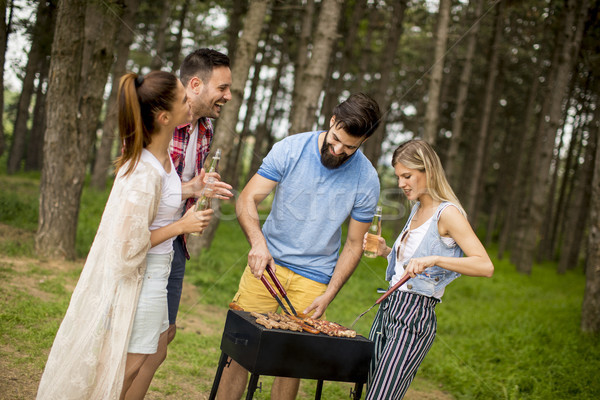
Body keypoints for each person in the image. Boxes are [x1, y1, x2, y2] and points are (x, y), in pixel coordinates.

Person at [36, 71, 214, 399]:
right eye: (182, 99)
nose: (190, 101)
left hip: (157, 277)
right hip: (142, 282)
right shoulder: (144, 171)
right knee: (122, 372)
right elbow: (127, 248)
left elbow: (158, 202)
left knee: (140, 360)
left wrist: (192, 188)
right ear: (164, 117)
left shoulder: (162, 162)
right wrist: (182, 226)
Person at [217, 93, 382, 400]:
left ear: (363, 142)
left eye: (350, 147)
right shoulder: (291, 148)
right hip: (266, 266)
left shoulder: (367, 178)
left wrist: (329, 293)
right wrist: (257, 244)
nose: (338, 150)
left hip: (314, 279)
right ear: (332, 121)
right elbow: (247, 199)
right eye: (335, 140)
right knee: (240, 351)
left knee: (290, 363)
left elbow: (354, 244)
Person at [126, 48, 235, 395]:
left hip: (175, 244)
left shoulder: (204, 131)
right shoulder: (159, 124)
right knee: (133, 344)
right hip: (146, 241)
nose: (228, 96)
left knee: (163, 337)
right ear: (195, 84)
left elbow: (177, 187)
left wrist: (198, 189)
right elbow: (140, 190)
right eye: (223, 88)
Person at [364, 139, 494, 400]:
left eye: (407, 176)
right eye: (400, 177)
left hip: (414, 315)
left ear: (428, 171)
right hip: (388, 307)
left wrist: (435, 259)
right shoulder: (417, 209)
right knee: (371, 389)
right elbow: (411, 266)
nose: (401, 184)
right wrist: (388, 252)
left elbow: (485, 265)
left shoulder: (448, 213)